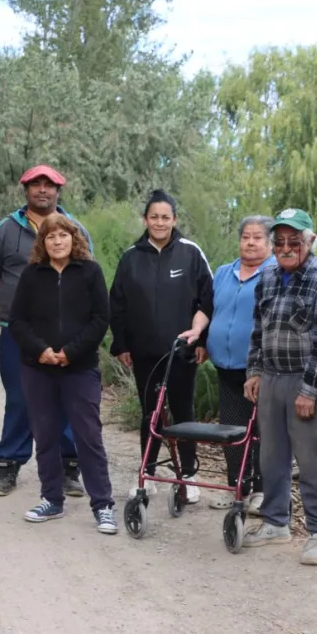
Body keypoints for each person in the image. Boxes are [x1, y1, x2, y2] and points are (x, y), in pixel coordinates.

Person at [0, 164, 90, 497]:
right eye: (35, 184)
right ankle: (8, 466)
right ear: (25, 189)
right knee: (20, 399)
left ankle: (69, 466)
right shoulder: (5, 229)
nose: (42, 190)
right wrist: (18, 308)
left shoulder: (75, 229)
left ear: (59, 190)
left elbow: (88, 274)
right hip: (17, 334)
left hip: (65, 333)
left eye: (49, 185)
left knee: (68, 397)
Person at [8, 214, 117, 534]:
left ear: (75, 238)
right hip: (37, 368)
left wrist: (71, 351)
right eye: (50, 237)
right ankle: (51, 499)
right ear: (42, 243)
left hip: (79, 368)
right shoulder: (31, 275)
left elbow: (100, 319)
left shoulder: (91, 273)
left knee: (88, 435)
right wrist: (41, 350)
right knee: (45, 434)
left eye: (63, 235)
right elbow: (17, 322)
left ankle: (103, 505)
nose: (57, 241)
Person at [243, 208, 317, 565]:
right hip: (271, 378)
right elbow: (258, 331)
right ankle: (275, 522)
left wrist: (310, 391)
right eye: (280, 240)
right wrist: (254, 372)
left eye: (294, 240)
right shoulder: (267, 276)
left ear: (309, 240)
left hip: (305, 380)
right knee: (271, 456)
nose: (286, 247)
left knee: (313, 460)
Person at [108, 189, 214, 503]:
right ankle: (148, 474)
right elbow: (118, 304)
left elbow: (208, 299)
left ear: (175, 219)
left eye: (165, 217)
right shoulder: (131, 257)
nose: (159, 222)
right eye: (154, 216)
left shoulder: (191, 253)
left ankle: (189, 477)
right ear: (145, 219)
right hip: (143, 353)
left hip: (182, 352)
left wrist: (202, 341)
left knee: (183, 415)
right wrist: (122, 344)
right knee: (150, 413)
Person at [206, 215, 276, 513]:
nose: (250, 242)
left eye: (257, 237)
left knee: (260, 430)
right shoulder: (224, 271)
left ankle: (261, 489)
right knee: (231, 430)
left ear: (270, 243)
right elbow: (208, 309)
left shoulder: (275, 273)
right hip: (225, 366)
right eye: (245, 236)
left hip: (260, 369)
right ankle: (236, 486)